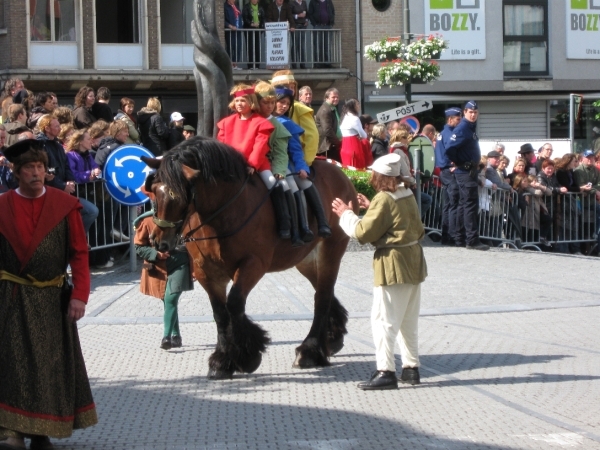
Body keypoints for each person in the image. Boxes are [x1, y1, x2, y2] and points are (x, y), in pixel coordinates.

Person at [0, 139, 97, 450]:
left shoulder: (64, 205)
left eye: (41, 167)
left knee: (46, 365)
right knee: (12, 362)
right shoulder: (1, 207)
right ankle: (13, 431)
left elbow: (80, 253)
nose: (37, 173)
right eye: (30, 168)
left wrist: (80, 295)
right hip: (10, 296)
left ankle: (41, 431)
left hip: (52, 299)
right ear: (16, 172)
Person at [331, 153, 427, 390]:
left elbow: (363, 233)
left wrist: (346, 213)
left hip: (393, 263)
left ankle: (385, 371)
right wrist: (370, 206)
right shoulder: (407, 194)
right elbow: (392, 218)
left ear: (381, 176)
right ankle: (411, 368)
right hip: (413, 259)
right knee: (407, 319)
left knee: (383, 320)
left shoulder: (384, 199)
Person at [134, 211, 194, 350]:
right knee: (167, 300)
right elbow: (139, 246)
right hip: (158, 267)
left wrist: (195, 267)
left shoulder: (183, 219)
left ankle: (166, 337)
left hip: (181, 264)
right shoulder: (147, 221)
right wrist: (155, 254)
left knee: (171, 299)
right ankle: (176, 335)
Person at [444, 100, 489, 250]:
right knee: (470, 204)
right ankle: (471, 239)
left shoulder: (469, 127)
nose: (473, 114)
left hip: (468, 170)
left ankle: (461, 237)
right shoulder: (463, 128)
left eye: (475, 112)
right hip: (465, 171)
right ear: (465, 112)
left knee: (464, 204)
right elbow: (450, 148)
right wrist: (459, 162)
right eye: (470, 112)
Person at [435, 107, 461, 246]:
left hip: (445, 170)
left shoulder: (444, 133)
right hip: (448, 170)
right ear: (450, 119)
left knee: (448, 204)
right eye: (458, 118)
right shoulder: (449, 134)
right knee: (453, 202)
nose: (460, 121)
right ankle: (452, 236)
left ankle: (446, 235)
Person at [339, 99, 368, 169]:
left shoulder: (344, 117)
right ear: (353, 106)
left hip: (344, 146)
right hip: (353, 147)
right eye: (357, 104)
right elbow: (364, 135)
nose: (359, 106)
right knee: (356, 169)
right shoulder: (354, 118)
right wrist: (363, 135)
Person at [315, 87, 341, 161]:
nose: (336, 99)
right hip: (327, 147)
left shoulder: (332, 108)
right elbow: (327, 130)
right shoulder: (325, 110)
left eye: (337, 97)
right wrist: (338, 143)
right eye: (333, 97)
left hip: (331, 145)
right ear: (326, 98)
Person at [308, 0, 335, 68]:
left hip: (327, 26)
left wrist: (331, 23)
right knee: (317, 45)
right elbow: (310, 14)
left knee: (327, 45)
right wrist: (314, 24)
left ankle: (327, 63)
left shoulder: (328, 1)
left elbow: (332, 11)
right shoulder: (313, 2)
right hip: (318, 26)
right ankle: (317, 63)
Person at [242, 0, 265, 70]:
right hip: (249, 31)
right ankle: (250, 65)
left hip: (257, 31)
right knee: (250, 47)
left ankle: (257, 65)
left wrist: (261, 26)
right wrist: (251, 24)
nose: (255, 0)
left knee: (257, 47)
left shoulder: (260, 7)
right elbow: (245, 18)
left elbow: (263, 18)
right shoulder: (246, 7)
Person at [290, 0, 309, 68]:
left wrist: (306, 20)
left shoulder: (304, 3)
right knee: (295, 44)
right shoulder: (291, 3)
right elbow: (289, 15)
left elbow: (307, 13)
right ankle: (294, 63)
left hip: (303, 26)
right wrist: (297, 16)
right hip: (295, 26)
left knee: (301, 45)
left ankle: (302, 63)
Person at [224, 0, 243, 70]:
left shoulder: (236, 6)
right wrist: (230, 26)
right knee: (230, 47)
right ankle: (230, 65)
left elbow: (239, 17)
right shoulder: (225, 7)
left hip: (237, 31)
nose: (234, 0)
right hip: (230, 32)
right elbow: (223, 20)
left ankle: (235, 65)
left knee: (237, 48)